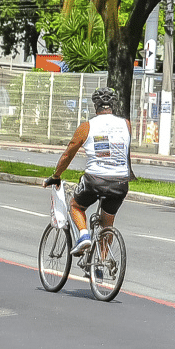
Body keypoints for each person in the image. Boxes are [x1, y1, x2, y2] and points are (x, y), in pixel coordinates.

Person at [42, 87, 132, 257]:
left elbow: (68, 154)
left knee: (75, 206)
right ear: (112, 104)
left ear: (95, 106)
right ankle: (101, 264)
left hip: (95, 180)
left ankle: (83, 236)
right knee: (107, 226)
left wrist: (56, 176)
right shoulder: (126, 124)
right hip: (120, 182)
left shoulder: (86, 127)